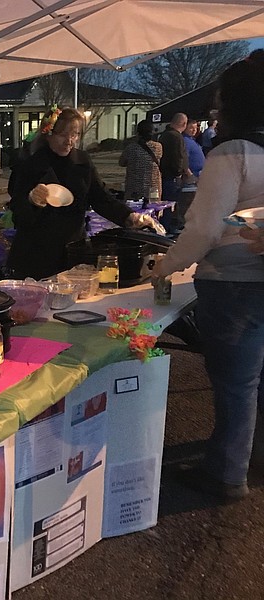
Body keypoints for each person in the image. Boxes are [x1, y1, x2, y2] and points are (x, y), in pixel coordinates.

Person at [153, 50, 264, 503]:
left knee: (237, 382)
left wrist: (165, 266)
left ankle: (225, 473)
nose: (215, 110)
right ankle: (253, 458)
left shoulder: (232, 152)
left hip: (233, 283)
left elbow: (203, 229)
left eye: (220, 101)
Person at [6, 107, 162, 280]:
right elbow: (19, 216)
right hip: (37, 254)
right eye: (63, 134)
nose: (69, 141)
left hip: (73, 250)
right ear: (48, 133)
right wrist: (31, 201)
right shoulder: (29, 165)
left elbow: (101, 199)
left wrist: (130, 217)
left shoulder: (82, 161)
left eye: (75, 134)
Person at [119, 120, 162, 201]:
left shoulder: (131, 148)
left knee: (134, 211)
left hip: (134, 188)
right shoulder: (158, 147)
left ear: (138, 133)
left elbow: (121, 162)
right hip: (152, 187)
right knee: (153, 209)